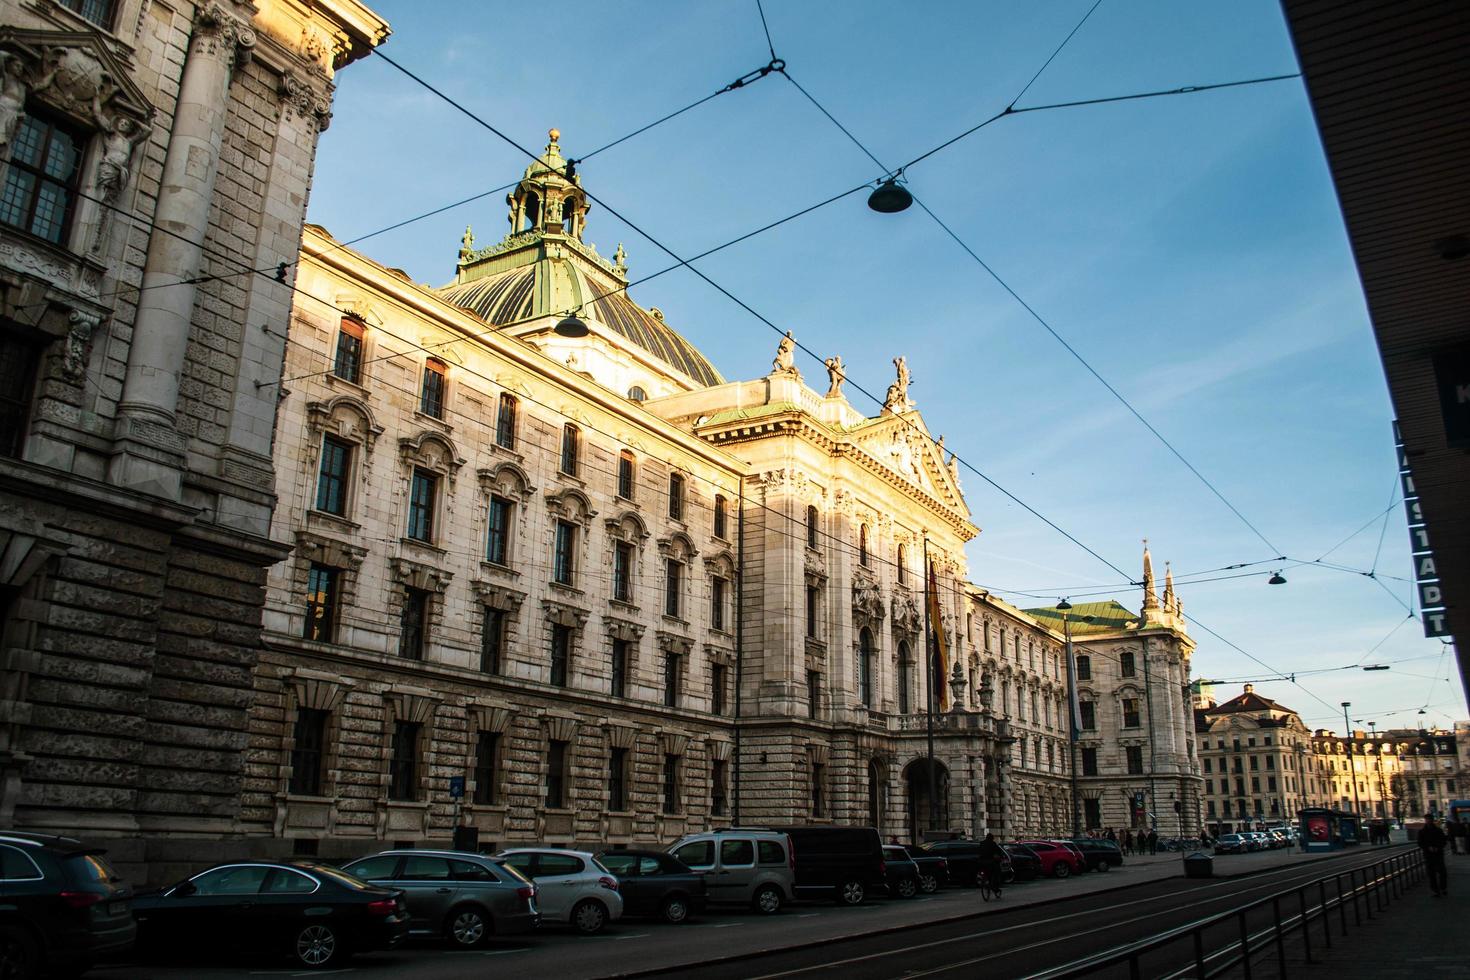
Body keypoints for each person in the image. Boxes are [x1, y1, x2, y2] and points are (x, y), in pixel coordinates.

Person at [1418, 813, 1449, 897]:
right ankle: (1435, 890)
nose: (1428, 821)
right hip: (1429, 854)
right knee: (1431, 873)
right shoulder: (1422, 832)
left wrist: (1437, 847)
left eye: (1429, 819)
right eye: (1427, 819)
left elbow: (1443, 841)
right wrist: (1428, 847)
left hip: (1438, 854)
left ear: (1432, 820)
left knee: (1442, 872)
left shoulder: (1438, 830)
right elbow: (1420, 843)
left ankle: (1443, 888)